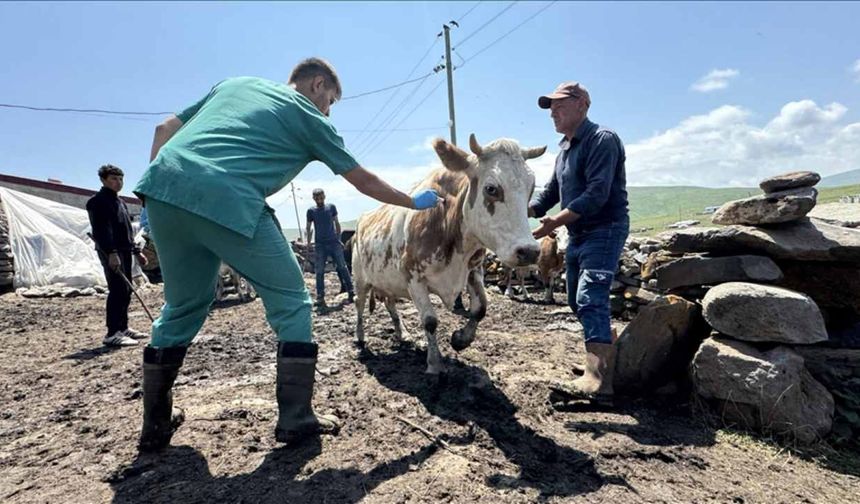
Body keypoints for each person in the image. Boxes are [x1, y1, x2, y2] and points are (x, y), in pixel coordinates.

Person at [134, 58, 441, 452]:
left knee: (181, 307)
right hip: (229, 196)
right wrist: (412, 201)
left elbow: (164, 130)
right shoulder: (309, 117)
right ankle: (296, 417)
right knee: (293, 301)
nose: (328, 112)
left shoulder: (235, 83)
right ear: (317, 85)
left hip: (161, 190)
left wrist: (158, 195)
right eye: (331, 101)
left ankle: (155, 424)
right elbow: (363, 180)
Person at [529, 82, 629, 406]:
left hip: (604, 229)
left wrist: (554, 223)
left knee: (590, 298)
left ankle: (599, 382)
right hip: (578, 234)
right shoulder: (564, 151)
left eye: (559, 106)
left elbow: (597, 194)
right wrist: (520, 211)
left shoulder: (602, 140)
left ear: (582, 105)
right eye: (551, 108)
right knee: (575, 300)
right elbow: (549, 195)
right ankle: (603, 365)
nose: (553, 113)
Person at [86, 164, 150, 347]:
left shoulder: (120, 202)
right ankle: (112, 333)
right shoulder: (97, 202)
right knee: (117, 290)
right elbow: (101, 230)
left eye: (120, 179)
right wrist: (111, 253)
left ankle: (123, 327)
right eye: (113, 179)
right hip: (111, 252)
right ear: (103, 180)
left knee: (127, 289)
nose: (118, 182)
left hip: (125, 250)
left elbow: (127, 230)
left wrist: (137, 252)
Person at [306, 188, 353, 308]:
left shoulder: (331, 207)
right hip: (320, 244)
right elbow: (308, 227)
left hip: (333, 242)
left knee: (342, 267)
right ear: (313, 198)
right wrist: (308, 243)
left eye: (321, 197)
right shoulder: (311, 211)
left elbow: (336, 223)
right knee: (319, 271)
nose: (319, 200)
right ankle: (320, 297)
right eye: (317, 198)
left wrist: (339, 239)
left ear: (324, 196)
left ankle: (351, 292)